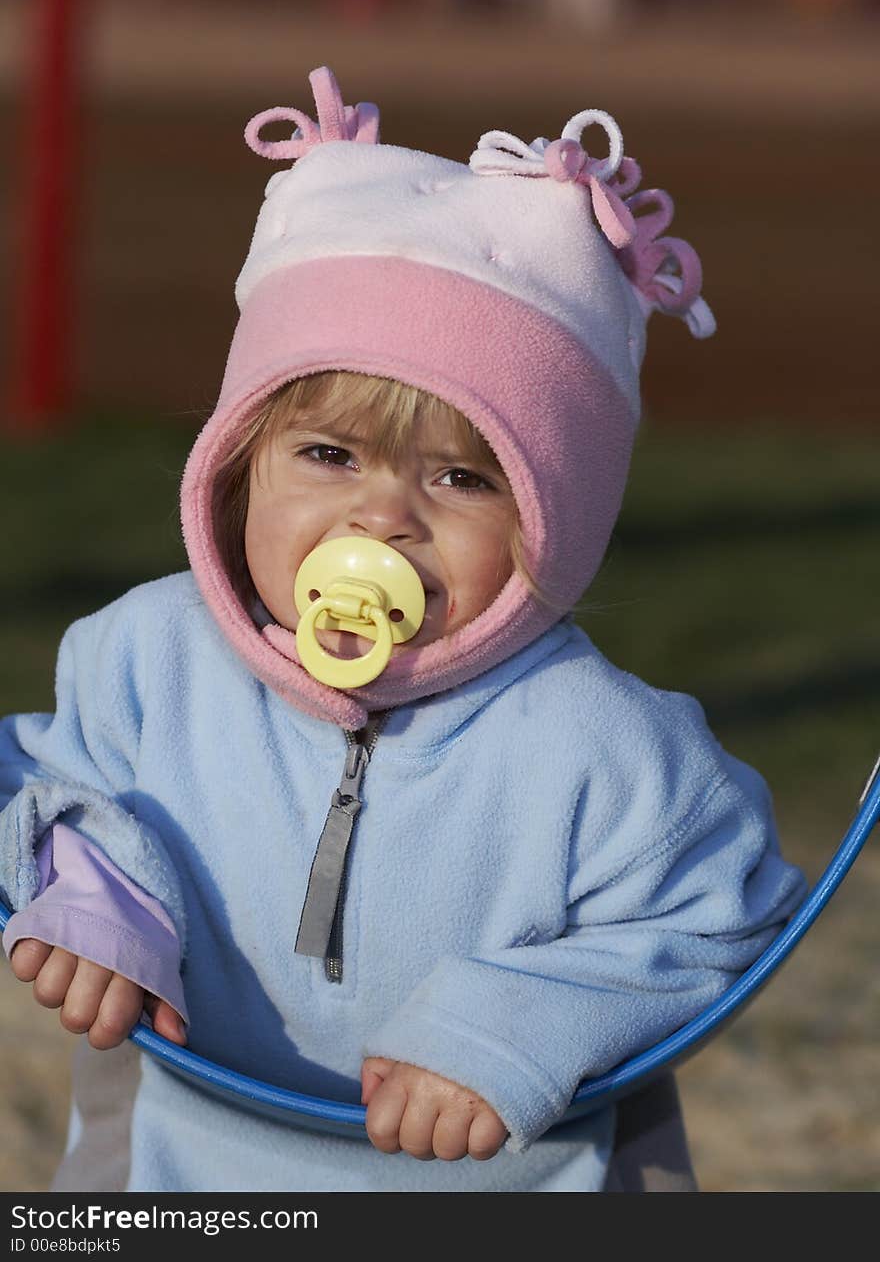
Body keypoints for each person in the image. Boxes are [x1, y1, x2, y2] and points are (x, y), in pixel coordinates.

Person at [0, 66, 805, 1192]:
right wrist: (99, 898)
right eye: (327, 454)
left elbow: (723, 912)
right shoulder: (145, 658)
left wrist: (507, 1026)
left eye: (462, 477)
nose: (382, 515)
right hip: (186, 1162)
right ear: (238, 469)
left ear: (552, 525)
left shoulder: (605, 747)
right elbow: (46, 779)